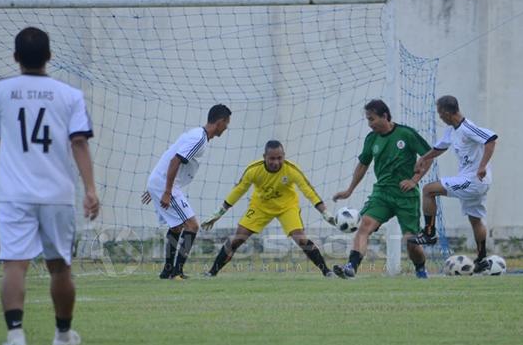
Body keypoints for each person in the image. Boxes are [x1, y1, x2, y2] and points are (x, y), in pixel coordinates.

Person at [0, 27, 100, 345]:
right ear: (50, 57)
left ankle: (15, 336)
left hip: (14, 193)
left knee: (14, 264)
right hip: (57, 194)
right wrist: (90, 188)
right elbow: (78, 141)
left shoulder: (0, 91)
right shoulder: (69, 95)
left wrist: (19, 155)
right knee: (59, 267)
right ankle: (62, 335)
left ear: (15, 57)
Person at [201, 140, 338, 277]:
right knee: (237, 238)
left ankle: (326, 271)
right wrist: (219, 212)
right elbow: (238, 190)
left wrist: (325, 212)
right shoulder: (253, 170)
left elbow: (308, 191)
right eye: (272, 158)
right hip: (261, 206)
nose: (276, 162)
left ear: (284, 156)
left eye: (279, 158)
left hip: (287, 207)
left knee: (301, 239)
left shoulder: (291, 170)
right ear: (264, 157)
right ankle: (212, 273)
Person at [332, 99, 432, 279]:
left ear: (384, 116)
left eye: (372, 119)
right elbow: (362, 165)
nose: (370, 124)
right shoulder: (372, 139)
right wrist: (349, 190)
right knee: (365, 226)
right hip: (382, 194)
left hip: (406, 197)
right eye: (368, 120)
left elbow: (429, 156)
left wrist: (414, 180)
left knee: (411, 243)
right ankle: (351, 267)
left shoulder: (406, 134)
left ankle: (420, 268)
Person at [409, 95, 498, 273]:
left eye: (440, 113)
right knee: (476, 219)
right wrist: (423, 158)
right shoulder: (452, 130)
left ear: (448, 112)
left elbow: (491, 139)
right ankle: (482, 260)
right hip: (472, 181)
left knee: (428, 190)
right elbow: (440, 148)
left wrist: (481, 167)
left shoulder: (467, 128)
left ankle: (429, 233)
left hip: (474, 180)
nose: (440, 117)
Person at [142, 104, 231, 280]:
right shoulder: (199, 139)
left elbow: (170, 154)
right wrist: (165, 191)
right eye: (226, 123)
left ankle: (167, 271)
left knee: (176, 226)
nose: (226, 127)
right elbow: (175, 160)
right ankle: (177, 272)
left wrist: (154, 185)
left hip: (160, 182)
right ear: (220, 122)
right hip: (165, 185)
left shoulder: (197, 135)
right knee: (192, 225)